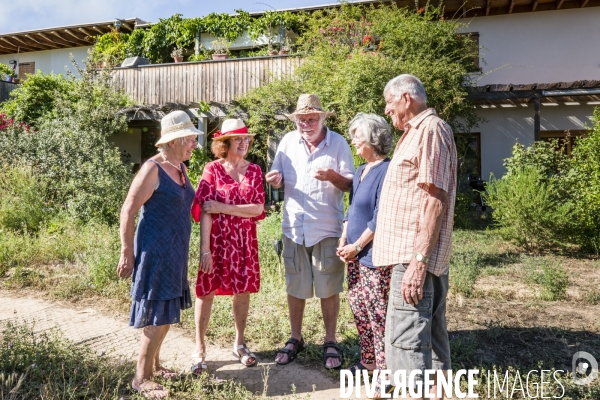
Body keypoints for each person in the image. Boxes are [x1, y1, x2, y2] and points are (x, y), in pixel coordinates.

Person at [372, 74, 457, 399]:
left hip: (414, 259)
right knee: (431, 338)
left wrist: (418, 262)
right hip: (412, 258)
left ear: (406, 98)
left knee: (407, 342)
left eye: (389, 102)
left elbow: (435, 199)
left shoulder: (430, 130)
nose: (386, 108)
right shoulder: (416, 133)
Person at [265, 94, 354, 370]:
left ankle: (330, 340)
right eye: (301, 120)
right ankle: (295, 337)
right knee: (295, 286)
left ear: (322, 118)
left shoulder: (338, 143)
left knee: (329, 287)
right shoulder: (287, 143)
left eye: (311, 119)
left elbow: (351, 185)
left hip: (326, 227)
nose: (306, 124)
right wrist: (275, 181)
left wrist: (332, 177)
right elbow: (276, 178)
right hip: (294, 226)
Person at [117, 110, 200, 399]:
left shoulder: (180, 168)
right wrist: (126, 250)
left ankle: (156, 364)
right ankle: (141, 377)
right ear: (175, 140)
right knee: (156, 315)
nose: (194, 144)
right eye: (190, 138)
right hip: (156, 252)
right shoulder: (152, 168)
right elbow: (128, 209)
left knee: (166, 313)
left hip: (175, 252)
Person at [190, 119, 265, 373]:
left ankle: (240, 343)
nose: (244, 142)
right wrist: (204, 250)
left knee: (242, 290)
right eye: (238, 138)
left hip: (244, 242)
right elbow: (204, 211)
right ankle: (199, 348)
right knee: (206, 290)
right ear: (224, 143)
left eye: (246, 138)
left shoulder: (254, 170)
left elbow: (257, 208)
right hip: (217, 241)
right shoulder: (211, 169)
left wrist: (224, 208)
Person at [336, 113, 392, 376]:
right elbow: (351, 210)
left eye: (357, 135)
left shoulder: (386, 170)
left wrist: (357, 246)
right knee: (359, 309)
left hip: (373, 258)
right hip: (354, 256)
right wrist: (344, 238)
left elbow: (379, 216)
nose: (354, 140)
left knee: (377, 314)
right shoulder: (360, 170)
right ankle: (368, 361)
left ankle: (384, 369)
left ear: (373, 137)